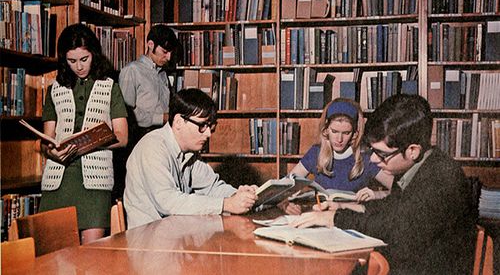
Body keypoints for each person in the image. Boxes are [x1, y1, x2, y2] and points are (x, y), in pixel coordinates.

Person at [289, 94, 477, 275]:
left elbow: (396, 228)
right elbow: (390, 210)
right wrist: (342, 207)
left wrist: (335, 219)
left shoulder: (440, 179)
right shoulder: (420, 168)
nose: (373, 159)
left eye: (382, 154)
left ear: (412, 150)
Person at [39, 23, 128, 244]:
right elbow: (45, 140)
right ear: (64, 60)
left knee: (91, 255)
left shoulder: (110, 87)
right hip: (58, 180)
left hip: (95, 180)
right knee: (56, 258)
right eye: (71, 61)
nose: (78, 67)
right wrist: (52, 153)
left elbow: (123, 137)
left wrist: (90, 143)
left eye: (84, 59)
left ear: (93, 55)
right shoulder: (55, 90)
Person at [123, 88, 257, 229]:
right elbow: (169, 202)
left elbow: (212, 187)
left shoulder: (189, 153)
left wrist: (241, 196)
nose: (208, 134)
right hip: (146, 240)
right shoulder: (152, 147)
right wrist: (226, 204)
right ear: (179, 121)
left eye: (210, 127)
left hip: (175, 235)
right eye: (202, 125)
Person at [282, 98, 392, 215]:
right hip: (321, 216)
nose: (339, 139)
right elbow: (281, 188)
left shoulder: (366, 157)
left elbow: (402, 190)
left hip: (353, 220)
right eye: (334, 131)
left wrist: (376, 195)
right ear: (326, 130)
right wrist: (284, 204)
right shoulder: (315, 153)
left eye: (346, 133)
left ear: (355, 133)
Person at [119, 24, 180, 143]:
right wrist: (160, 118)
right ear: (150, 45)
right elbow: (126, 114)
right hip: (140, 137)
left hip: (162, 134)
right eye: (165, 51)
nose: (168, 57)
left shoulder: (162, 73)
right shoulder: (132, 70)